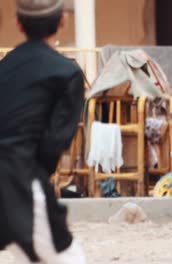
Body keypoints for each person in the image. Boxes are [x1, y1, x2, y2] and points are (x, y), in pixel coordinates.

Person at [0, 0, 86, 263]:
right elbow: (52, 145)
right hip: (20, 181)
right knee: (69, 258)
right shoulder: (67, 73)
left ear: (18, 24)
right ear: (63, 21)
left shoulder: (4, 68)